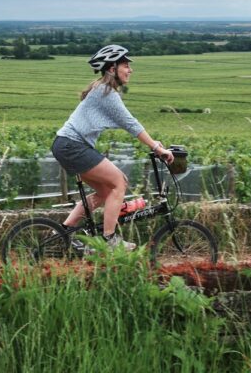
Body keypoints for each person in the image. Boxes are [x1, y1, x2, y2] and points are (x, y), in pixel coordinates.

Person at [51, 45, 174, 250]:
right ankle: (110, 240)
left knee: (105, 192)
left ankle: (62, 233)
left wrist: (154, 144)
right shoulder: (106, 93)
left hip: (66, 145)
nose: (130, 70)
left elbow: (129, 123)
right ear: (111, 69)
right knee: (119, 181)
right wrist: (156, 147)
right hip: (72, 145)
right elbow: (130, 123)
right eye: (125, 65)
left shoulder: (101, 90)